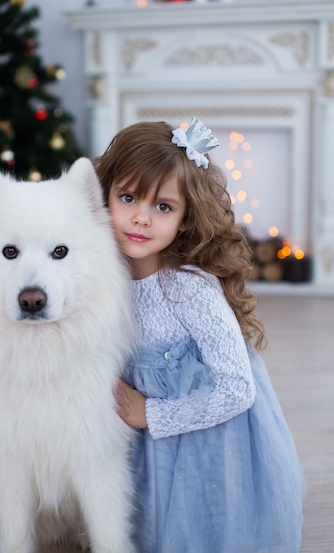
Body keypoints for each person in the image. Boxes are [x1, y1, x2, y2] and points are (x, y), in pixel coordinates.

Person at [94, 118, 305, 553]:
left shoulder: (190, 290)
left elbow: (237, 390)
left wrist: (152, 415)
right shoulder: (100, 276)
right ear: (103, 196)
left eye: (163, 207)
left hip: (204, 440)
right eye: (128, 197)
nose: (140, 217)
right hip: (137, 444)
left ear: (186, 219)